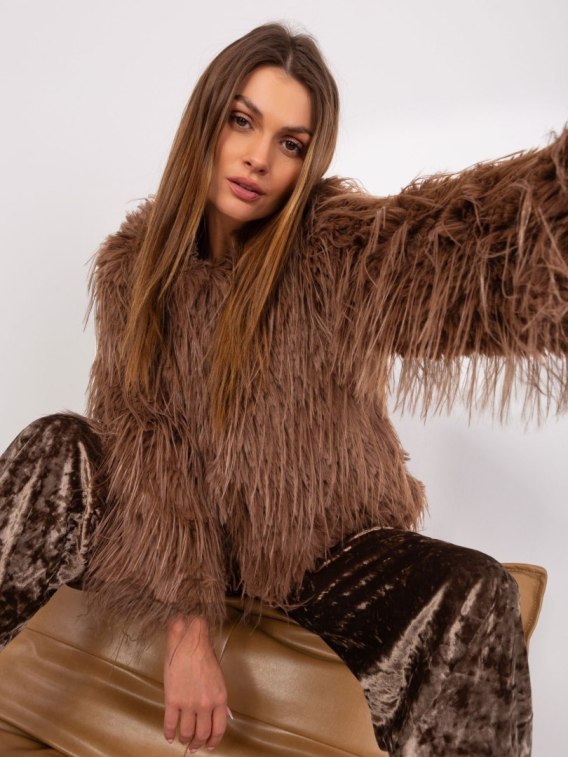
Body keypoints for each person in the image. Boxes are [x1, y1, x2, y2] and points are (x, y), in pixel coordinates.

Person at [0, 21, 566, 756]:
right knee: (58, 443)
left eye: (291, 143)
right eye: (242, 121)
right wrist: (187, 627)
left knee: (476, 586)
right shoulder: (131, 270)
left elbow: (457, 251)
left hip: (321, 548)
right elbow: (144, 444)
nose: (259, 158)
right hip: (180, 536)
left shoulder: (334, 245)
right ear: (207, 120)